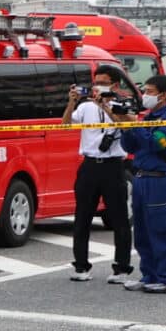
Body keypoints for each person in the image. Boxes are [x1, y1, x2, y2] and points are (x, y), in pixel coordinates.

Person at [115, 73, 166, 294]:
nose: (145, 96)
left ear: (164, 95)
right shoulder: (146, 118)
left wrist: (135, 126)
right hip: (141, 178)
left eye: (150, 92)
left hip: (160, 180)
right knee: (143, 231)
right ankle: (149, 275)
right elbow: (131, 147)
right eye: (144, 91)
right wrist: (125, 126)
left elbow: (158, 144)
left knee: (162, 230)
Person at [64, 70, 133, 284]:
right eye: (96, 82)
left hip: (114, 166)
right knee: (82, 217)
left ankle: (121, 268)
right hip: (90, 165)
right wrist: (71, 103)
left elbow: (128, 124)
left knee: (120, 219)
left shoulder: (124, 104)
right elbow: (65, 124)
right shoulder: (85, 106)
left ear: (114, 85)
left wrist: (105, 105)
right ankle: (81, 266)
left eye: (103, 83)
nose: (98, 86)